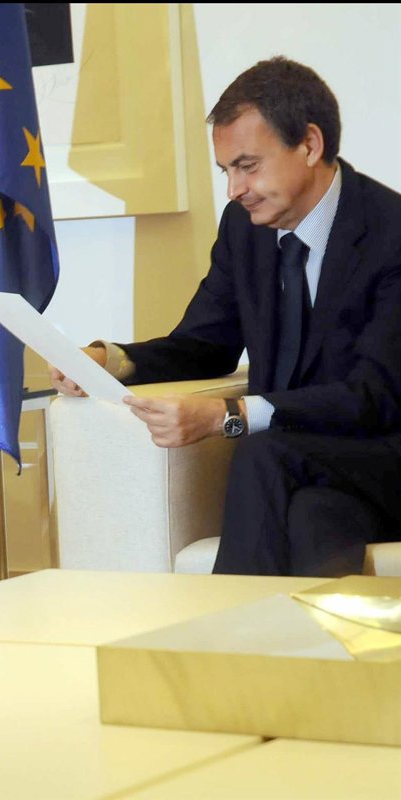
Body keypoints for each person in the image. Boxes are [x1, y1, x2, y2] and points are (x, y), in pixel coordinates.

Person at [50, 57, 401, 577]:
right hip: (312, 472)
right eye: (227, 171)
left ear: (309, 145)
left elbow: (375, 396)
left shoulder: (391, 232)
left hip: (385, 455)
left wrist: (228, 414)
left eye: (247, 166)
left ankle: (223, 625)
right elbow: (204, 344)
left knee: (261, 453)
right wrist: (111, 361)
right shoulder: (244, 228)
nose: (234, 189)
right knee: (314, 517)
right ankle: (310, 632)